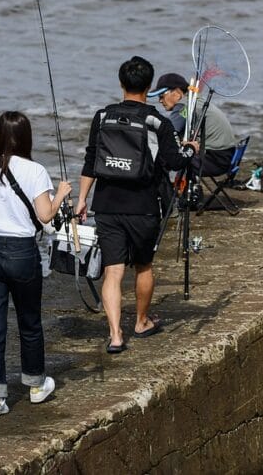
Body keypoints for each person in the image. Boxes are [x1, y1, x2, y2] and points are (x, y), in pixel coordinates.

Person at [75, 56, 198, 354]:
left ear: (121, 84)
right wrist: (190, 150)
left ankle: (115, 335)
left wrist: (81, 200)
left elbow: (91, 161)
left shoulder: (102, 117)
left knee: (112, 271)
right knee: (143, 266)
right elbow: (173, 162)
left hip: (106, 204)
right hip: (144, 205)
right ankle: (141, 322)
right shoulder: (158, 122)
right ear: (148, 86)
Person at [0, 111, 71, 417]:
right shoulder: (36, 170)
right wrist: (61, 194)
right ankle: (36, 386)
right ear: (26, 137)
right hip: (22, 253)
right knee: (29, 321)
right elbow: (45, 216)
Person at [147, 72, 238, 180]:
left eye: (162, 96)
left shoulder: (184, 106)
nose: (160, 100)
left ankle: (160, 192)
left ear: (177, 93)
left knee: (168, 158)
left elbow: (168, 134)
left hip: (215, 161)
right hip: (228, 158)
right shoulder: (197, 101)